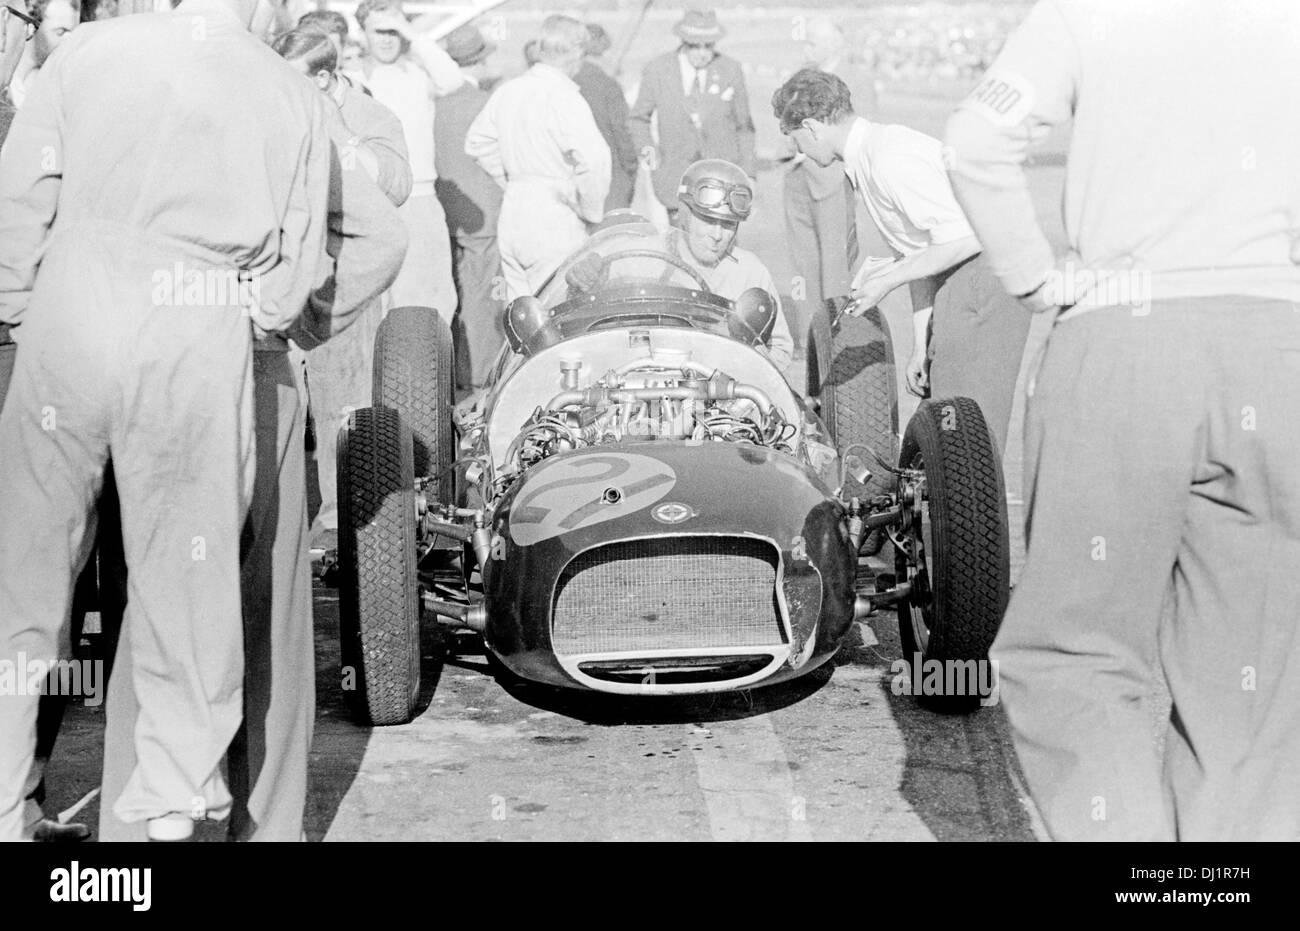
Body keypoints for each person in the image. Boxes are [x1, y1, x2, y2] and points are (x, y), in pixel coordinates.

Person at [946, 0, 1300, 842]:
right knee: (1250, 679)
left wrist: (1035, 279)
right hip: (1275, 344)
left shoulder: (1083, 14)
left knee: (1076, 655)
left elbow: (973, 141)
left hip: (1125, 334)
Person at [0, 0, 332, 842]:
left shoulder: (89, 51)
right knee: (189, 583)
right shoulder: (291, 90)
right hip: (199, 318)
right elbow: (296, 272)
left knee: (25, 570)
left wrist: (19, 309)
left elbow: (21, 195)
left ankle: (4, 800)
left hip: (73, 301)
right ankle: (172, 805)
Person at [772, 68, 1031, 456]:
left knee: (967, 429)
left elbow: (965, 236)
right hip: (957, 277)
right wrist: (919, 344)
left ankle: (976, 514)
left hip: (983, 276)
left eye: (792, 138)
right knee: (944, 415)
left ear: (811, 127)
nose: (798, 151)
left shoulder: (889, 157)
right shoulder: (868, 158)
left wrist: (887, 280)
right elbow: (921, 252)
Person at [274, 24, 411, 548]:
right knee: (284, 403)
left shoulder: (371, 116)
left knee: (342, 408)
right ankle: (286, 522)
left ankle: (340, 527)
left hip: (342, 286)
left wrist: (337, 135)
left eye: (295, 84)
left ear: (327, 78)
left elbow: (396, 188)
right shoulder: (282, 110)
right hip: (288, 280)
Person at [465, 14, 610, 300]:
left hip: (514, 212)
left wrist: (512, 181)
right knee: (559, 308)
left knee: (521, 314)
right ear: (577, 53)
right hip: (554, 217)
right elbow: (595, 160)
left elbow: (477, 143)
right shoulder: (565, 98)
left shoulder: (509, 90)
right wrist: (591, 210)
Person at [354, 0, 462, 321]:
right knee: (377, 303)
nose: (387, 39)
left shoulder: (417, 74)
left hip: (419, 199)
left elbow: (452, 78)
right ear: (364, 34)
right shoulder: (352, 78)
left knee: (429, 297)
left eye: (394, 32)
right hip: (369, 203)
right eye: (379, 31)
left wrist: (409, 32)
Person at [783, 18, 879, 348]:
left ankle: (837, 338)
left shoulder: (857, 79)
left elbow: (863, 134)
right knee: (803, 265)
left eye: (812, 43)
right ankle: (809, 339)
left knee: (836, 264)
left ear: (833, 44)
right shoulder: (801, 77)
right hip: (798, 180)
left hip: (834, 181)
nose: (806, 49)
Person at [629, 8, 755, 224]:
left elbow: (744, 127)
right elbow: (638, 119)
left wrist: (748, 175)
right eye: (695, 46)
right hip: (674, 181)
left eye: (708, 46)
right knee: (680, 246)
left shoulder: (730, 70)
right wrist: (651, 157)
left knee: (722, 246)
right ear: (683, 41)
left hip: (722, 182)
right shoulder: (658, 70)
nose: (702, 52)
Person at [667, 158, 793, 372]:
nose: (717, 235)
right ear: (685, 215)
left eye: (728, 225)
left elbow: (780, 350)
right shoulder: (645, 255)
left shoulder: (749, 271)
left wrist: (756, 359)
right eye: (707, 220)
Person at [435, 24, 504, 391]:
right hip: (485, 215)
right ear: (480, 59)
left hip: (443, 213)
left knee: (453, 296)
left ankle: (451, 375)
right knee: (482, 300)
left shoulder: (435, 103)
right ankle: (479, 377)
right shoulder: (486, 103)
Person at [574, 22, 636, 212]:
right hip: (610, 181)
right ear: (602, 53)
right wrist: (631, 171)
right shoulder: (608, 86)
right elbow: (624, 135)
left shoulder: (563, 84)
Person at [7, 0, 75, 108]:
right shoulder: (6, 83)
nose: (69, 42)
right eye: (60, 32)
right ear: (31, 28)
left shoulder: (54, 85)